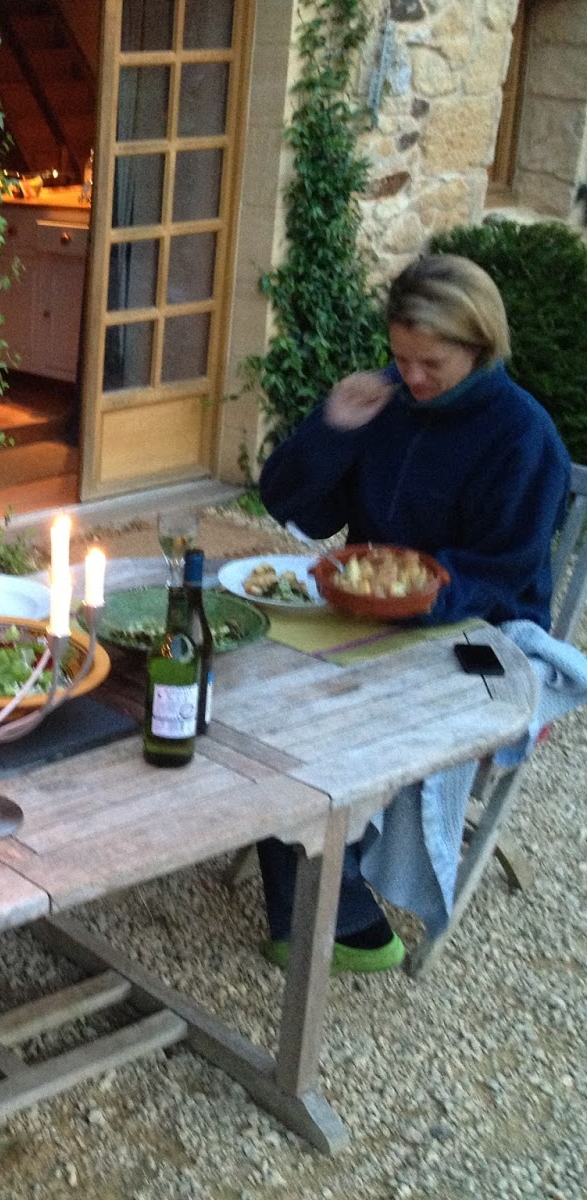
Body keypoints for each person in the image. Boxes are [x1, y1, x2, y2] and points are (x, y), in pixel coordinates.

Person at [257, 253, 571, 971]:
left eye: (432, 363)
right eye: (401, 358)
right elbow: (293, 506)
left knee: (319, 718)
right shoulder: (388, 403)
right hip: (371, 617)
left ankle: (329, 908)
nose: (414, 378)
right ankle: (311, 895)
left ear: (479, 347)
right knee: (255, 689)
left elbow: (501, 571)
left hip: (482, 635)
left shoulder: (524, 436)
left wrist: (404, 600)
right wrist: (333, 427)